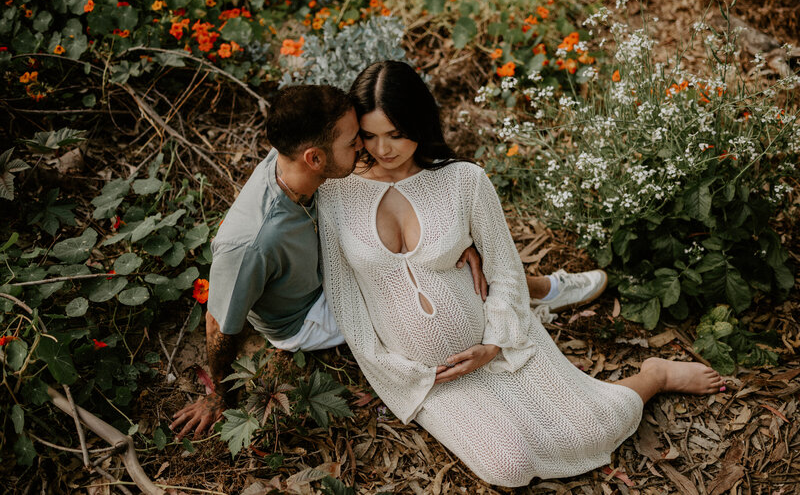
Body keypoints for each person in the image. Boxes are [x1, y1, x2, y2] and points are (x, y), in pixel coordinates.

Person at [316, 61, 725, 487]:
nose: (383, 148)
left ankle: (653, 376)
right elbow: (347, 302)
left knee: (591, 429)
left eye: (396, 133)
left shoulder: (463, 181)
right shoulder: (336, 193)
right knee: (507, 469)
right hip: (429, 379)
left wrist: (493, 343)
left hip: (502, 348)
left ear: (418, 121)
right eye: (369, 134)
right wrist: (403, 375)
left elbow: (506, 271)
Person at [169, 83, 613, 441]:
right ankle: (536, 292)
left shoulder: (301, 157)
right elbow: (218, 325)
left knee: (441, 255)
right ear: (316, 158)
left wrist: (455, 236)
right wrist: (216, 398)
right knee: (421, 271)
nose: (368, 148)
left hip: (333, 265)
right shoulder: (250, 242)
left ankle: (537, 289)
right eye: (355, 140)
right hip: (310, 314)